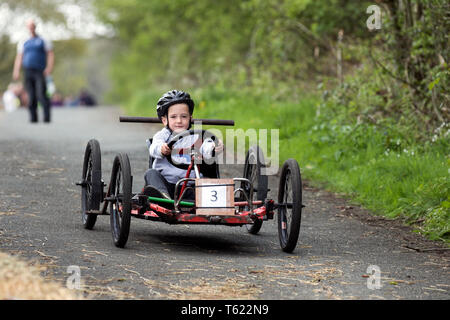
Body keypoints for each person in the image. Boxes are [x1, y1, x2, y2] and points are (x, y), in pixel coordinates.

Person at [144, 90, 224, 200]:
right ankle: (163, 198)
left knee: (206, 182)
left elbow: (206, 147)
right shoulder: (162, 136)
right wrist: (162, 149)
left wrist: (214, 148)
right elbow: (154, 147)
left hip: (191, 186)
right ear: (164, 120)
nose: (179, 121)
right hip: (167, 185)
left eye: (184, 116)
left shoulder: (196, 136)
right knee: (151, 174)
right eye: (173, 117)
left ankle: (211, 201)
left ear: (190, 118)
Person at [12, 19, 54, 123]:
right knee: (31, 95)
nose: (31, 27)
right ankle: (33, 118)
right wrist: (16, 70)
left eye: (32, 25)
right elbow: (19, 57)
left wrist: (49, 67)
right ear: (27, 27)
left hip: (40, 70)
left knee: (41, 93)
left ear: (35, 26)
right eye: (29, 26)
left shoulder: (43, 40)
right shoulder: (23, 41)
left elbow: (50, 54)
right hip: (28, 71)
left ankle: (46, 118)